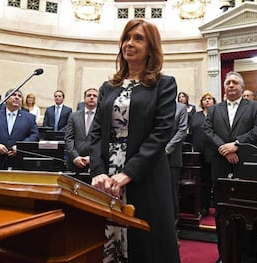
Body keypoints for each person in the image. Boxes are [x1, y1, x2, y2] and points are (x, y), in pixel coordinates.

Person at [90, 19, 181, 263]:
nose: (129, 44)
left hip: (145, 173)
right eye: (127, 38)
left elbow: (162, 132)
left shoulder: (164, 84)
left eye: (138, 39)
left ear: (151, 48)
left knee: (147, 245)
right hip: (107, 178)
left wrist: (128, 172)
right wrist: (98, 171)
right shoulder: (108, 87)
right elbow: (96, 133)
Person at [202, 71, 257, 263]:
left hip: (246, 165)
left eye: (234, 83)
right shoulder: (214, 109)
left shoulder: (255, 107)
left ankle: (250, 258)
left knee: (250, 213)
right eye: (227, 82)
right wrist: (224, 148)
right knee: (222, 213)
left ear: (241, 86)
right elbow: (206, 130)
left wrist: (237, 144)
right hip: (221, 166)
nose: (230, 85)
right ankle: (225, 255)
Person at [0, 89, 39, 170]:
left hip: (19, 163)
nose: (17, 97)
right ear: (6, 99)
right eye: (14, 95)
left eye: (19, 96)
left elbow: (34, 136)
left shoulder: (30, 118)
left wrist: (20, 147)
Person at [190, 92, 216, 216]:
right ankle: (203, 207)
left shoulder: (217, 114)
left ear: (214, 101)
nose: (207, 101)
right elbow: (191, 131)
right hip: (198, 153)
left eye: (209, 99)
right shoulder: (196, 115)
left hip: (214, 153)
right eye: (204, 99)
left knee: (214, 181)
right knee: (202, 182)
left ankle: (217, 207)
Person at [166, 101, 188, 240]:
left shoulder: (180, 108)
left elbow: (182, 130)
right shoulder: (155, 104)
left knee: (171, 193)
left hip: (171, 158)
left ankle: (173, 229)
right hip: (151, 157)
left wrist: (166, 149)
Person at [64, 88, 98, 173]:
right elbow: (68, 138)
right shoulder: (73, 116)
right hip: (74, 162)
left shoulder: (103, 117)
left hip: (95, 163)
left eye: (94, 96)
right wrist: (75, 157)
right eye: (89, 95)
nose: (91, 97)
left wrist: (92, 157)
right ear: (84, 98)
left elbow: (104, 140)